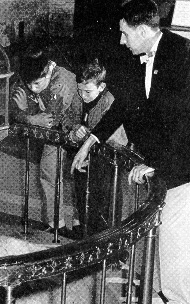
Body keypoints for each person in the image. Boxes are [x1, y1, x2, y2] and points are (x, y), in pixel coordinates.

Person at [71, 0, 190, 304]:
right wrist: (91, 141)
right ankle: (168, 294)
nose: (122, 40)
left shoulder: (181, 51)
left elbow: (182, 118)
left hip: (187, 159)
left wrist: (159, 167)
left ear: (145, 31)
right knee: (161, 228)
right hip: (160, 157)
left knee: (175, 230)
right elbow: (122, 107)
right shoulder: (134, 58)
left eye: (125, 33)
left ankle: (179, 303)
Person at [10, 47, 77, 237]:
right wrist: (29, 118)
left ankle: (81, 225)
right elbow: (12, 106)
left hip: (78, 130)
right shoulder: (30, 75)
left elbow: (49, 120)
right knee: (49, 173)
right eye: (29, 85)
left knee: (79, 180)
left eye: (37, 84)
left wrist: (27, 114)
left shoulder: (62, 79)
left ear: (47, 71)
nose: (32, 88)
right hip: (56, 136)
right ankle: (57, 224)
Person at [62, 58, 126, 238]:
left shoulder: (109, 102)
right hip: (82, 160)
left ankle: (109, 243)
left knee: (105, 204)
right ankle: (87, 238)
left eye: (88, 91)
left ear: (101, 86)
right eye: (80, 90)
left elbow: (117, 136)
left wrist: (90, 135)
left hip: (105, 164)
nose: (83, 96)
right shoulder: (78, 97)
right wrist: (74, 128)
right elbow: (67, 118)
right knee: (83, 200)